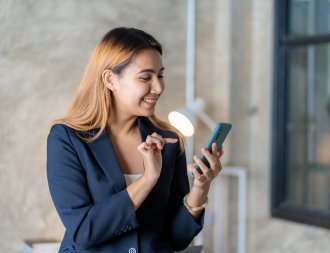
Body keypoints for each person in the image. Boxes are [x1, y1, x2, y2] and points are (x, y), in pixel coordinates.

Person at [46, 27, 224, 253]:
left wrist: (201, 187)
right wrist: (149, 178)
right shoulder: (68, 139)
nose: (158, 87)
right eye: (145, 77)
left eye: (160, 75)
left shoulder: (169, 141)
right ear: (110, 79)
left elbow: (176, 239)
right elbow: (84, 230)